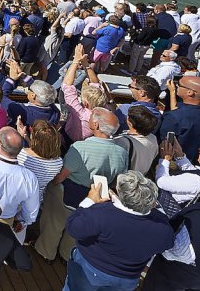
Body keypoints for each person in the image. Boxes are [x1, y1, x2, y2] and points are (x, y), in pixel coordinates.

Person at [36, 108, 128, 263]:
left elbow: (61, 176)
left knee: (54, 224)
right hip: (95, 199)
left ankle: (46, 253)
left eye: (91, 117)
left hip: (68, 194)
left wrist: (50, 184)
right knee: (76, 230)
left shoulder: (80, 147)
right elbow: (118, 179)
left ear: (96, 125)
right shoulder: (122, 152)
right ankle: (66, 256)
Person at [63, 170, 174, 291]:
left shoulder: (101, 213)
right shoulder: (162, 225)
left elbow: (73, 228)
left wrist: (89, 200)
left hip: (90, 271)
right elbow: (166, 243)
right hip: (127, 280)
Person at [158, 76, 200, 161]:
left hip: (176, 160)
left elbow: (167, 142)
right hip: (196, 158)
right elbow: (180, 111)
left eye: (179, 85)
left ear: (190, 92)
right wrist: (172, 92)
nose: (176, 86)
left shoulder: (174, 117)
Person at [15, 119, 63, 204]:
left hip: (18, 197)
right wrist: (25, 136)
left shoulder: (21, 154)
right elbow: (40, 151)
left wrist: (19, 136)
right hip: (36, 200)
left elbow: (34, 151)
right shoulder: (58, 162)